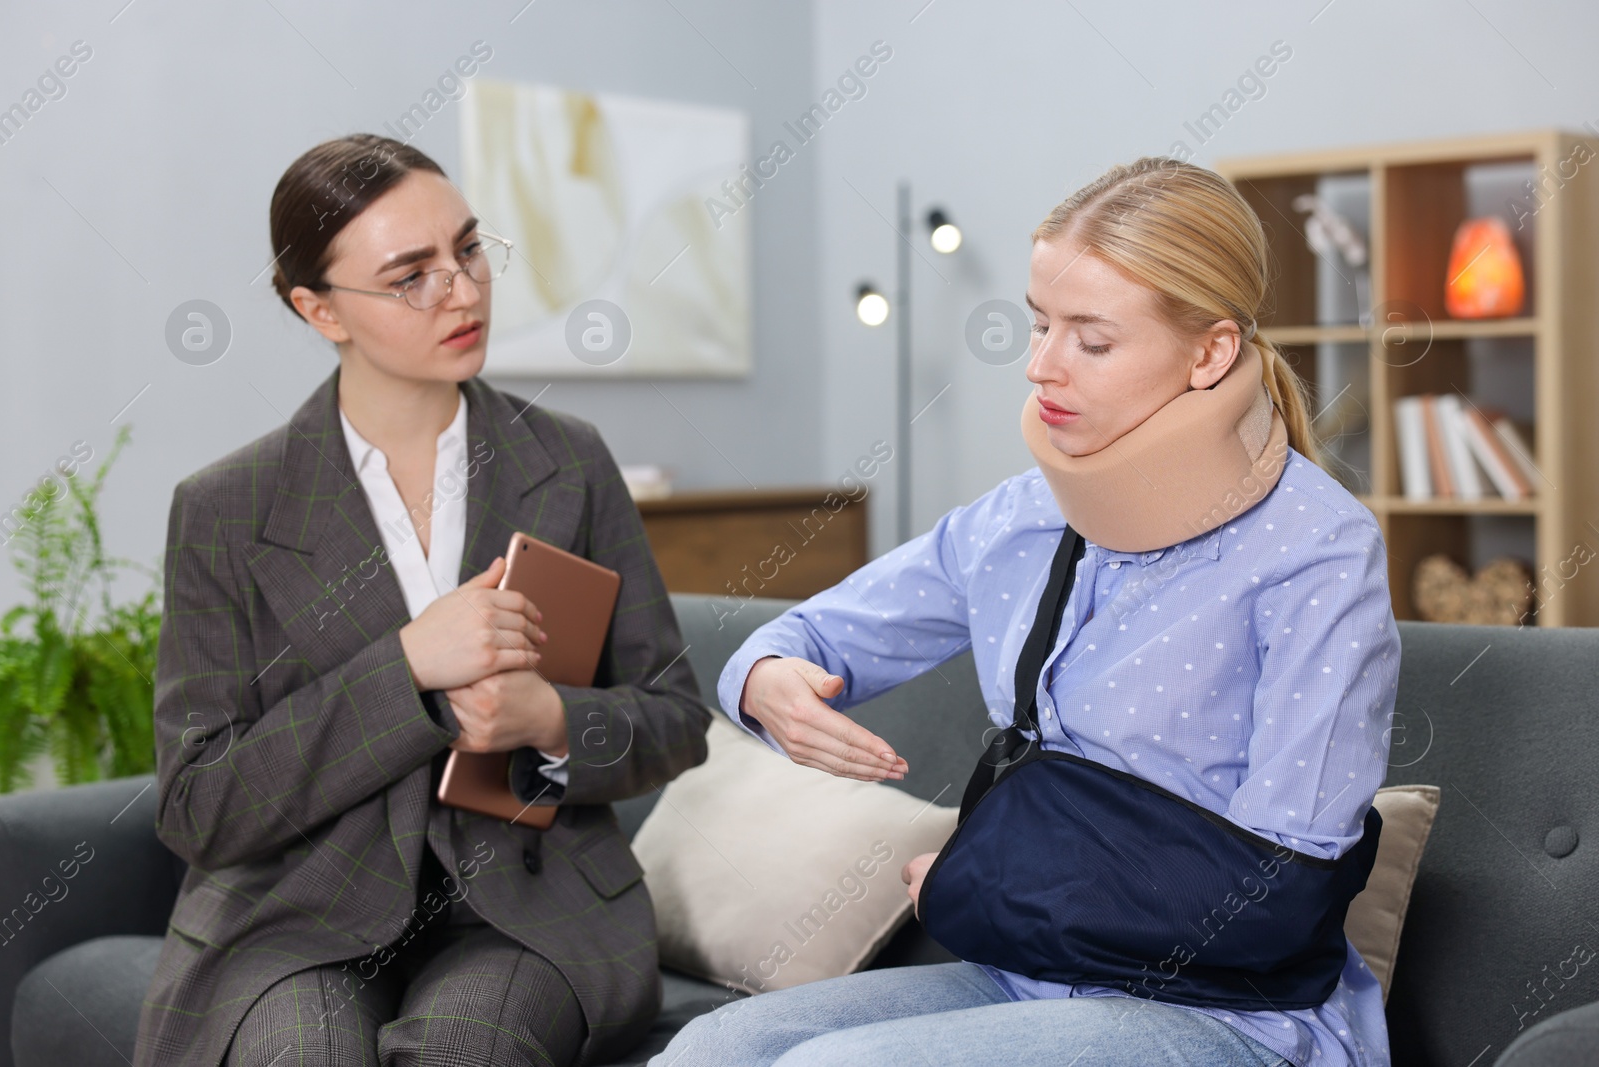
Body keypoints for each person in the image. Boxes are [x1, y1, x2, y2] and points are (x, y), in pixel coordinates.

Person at [650, 157, 1399, 1067]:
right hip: (1023, 972)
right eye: (1041, 324)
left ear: (1210, 353)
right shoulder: (1023, 516)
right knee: (711, 1049)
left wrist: (992, 887)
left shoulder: (1316, 550)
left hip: (1227, 1014)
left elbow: (1282, 889)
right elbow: (808, 633)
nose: (1042, 366)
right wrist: (769, 678)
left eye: (1092, 339)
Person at [134, 133, 711, 1067]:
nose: (465, 290)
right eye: (413, 276)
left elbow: (677, 720)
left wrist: (551, 723)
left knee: (462, 1051)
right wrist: (405, 668)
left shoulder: (570, 461)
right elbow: (201, 806)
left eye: (470, 250)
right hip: (295, 914)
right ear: (318, 308)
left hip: (532, 905)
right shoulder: (225, 509)